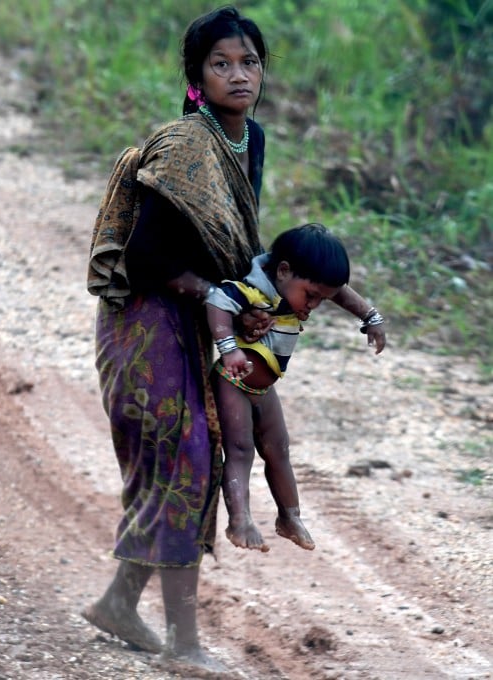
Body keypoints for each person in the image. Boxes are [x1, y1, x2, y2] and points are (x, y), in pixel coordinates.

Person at [82, 6, 383, 671]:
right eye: (221, 64)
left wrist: (255, 301)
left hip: (203, 314)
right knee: (185, 457)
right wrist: (221, 301)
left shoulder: (253, 140)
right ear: (196, 79)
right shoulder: (185, 146)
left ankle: (119, 603)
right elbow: (148, 258)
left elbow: (238, 245)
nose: (239, 75)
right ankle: (184, 644)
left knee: (193, 455)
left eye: (249, 62)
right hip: (148, 314)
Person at [206, 223, 386, 554]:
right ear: (284, 271)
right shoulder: (254, 291)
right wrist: (229, 348)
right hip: (233, 381)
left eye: (321, 299)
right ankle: (240, 519)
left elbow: (341, 292)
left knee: (279, 449)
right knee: (241, 449)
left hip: (264, 386)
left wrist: (370, 317)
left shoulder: (293, 288)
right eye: (312, 296)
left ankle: (289, 516)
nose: (314, 305)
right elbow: (216, 301)